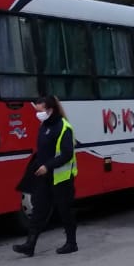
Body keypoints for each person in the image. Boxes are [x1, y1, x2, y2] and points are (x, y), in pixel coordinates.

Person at [12, 94, 78, 257]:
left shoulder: (64, 127)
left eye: (40, 110)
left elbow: (67, 154)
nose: (38, 113)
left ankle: (71, 243)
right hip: (44, 176)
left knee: (65, 210)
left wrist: (47, 166)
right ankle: (30, 245)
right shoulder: (44, 126)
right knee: (39, 210)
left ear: (50, 110)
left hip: (61, 177)